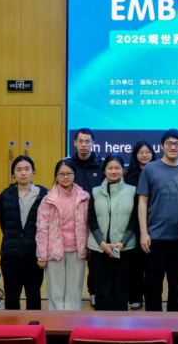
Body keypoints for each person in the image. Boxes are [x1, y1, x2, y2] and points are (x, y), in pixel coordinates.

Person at [138, 129, 178, 312]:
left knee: (177, 286)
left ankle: (174, 324)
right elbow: (142, 201)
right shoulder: (150, 168)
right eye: (169, 143)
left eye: (177, 144)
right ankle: (153, 324)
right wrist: (144, 233)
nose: (173, 147)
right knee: (152, 285)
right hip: (154, 237)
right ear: (162, 146)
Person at [35, 159, 90, 311]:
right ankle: (56, 321)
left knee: (74, 291)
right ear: (56, 176)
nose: (65, 177)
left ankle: (73, 321)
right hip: (54, 251)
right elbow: (42, 228)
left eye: (69, 173)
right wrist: (42, 255)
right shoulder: (48, 199)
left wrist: (89, 250)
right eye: (61, 174)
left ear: (74, 175)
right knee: (56, 292)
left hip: (77, 250)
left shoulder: (84, 197)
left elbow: (89, 225)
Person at [87, 154, 139, 312]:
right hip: (99, 248)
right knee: (102, 290)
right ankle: (101, 325)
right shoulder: (95, 192)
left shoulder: (132, 191)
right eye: (110, 168)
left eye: (117, 168)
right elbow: (92, 220)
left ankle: (120, 325)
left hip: (124, 248)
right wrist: (102, 243)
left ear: (123, 170)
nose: (114, 171)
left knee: (121, 289)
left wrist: (123, 242)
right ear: (104, 170)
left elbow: (134, 219)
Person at [0, 155, 48, 310]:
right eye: (19, 170)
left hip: (33, 255)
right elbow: (4, 222)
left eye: (27, 169)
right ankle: (12, 326)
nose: (23, 173)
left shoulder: (43, 194)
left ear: (33, 171)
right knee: (11, 299)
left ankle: (33, 325)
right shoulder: (6, 194)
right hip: (10, 255)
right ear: (14, 173)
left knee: (34, 297)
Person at [70, 128, 105, 307]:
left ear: (93, 143)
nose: (84, 145)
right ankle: (72, 295)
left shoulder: (101, 165)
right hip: (71, 219)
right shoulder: (68, 164)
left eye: (87, 141)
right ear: (75, 143)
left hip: (95, 218)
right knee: (74, 258)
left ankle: (94, 292)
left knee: (95, 259)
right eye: (80, 141)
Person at [124, 140, 155, 309]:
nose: (144, 155)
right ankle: (135, 296)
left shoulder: (158, 171)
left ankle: (151, 297)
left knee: (151, 264)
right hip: (133, 224)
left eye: (147, 152)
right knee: (135, 264)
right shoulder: (128, 175)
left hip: (155, 223)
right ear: (135, 155)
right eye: (141, 152)